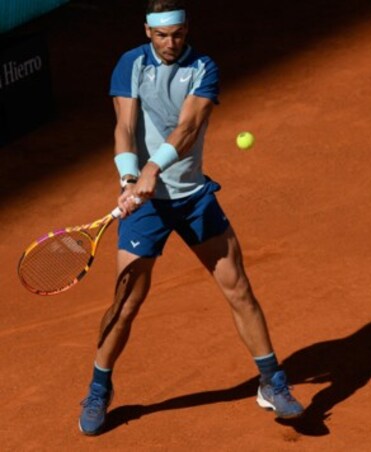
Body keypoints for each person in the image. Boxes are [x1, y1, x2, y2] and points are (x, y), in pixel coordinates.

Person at [78, 0, 304, 436]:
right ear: (147, 31)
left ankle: (271, 382)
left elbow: (187, 129)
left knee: (238, 287)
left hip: (193, 198)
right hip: (145, 207)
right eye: (162, 35)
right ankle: (99, 387)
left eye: (178, 34)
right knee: (125, 302)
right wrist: (129, 175)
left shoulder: (203, 68)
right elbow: (124, 127)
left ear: (186, 29)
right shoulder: (130, 65)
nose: (170, 43)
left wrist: (151, 170)